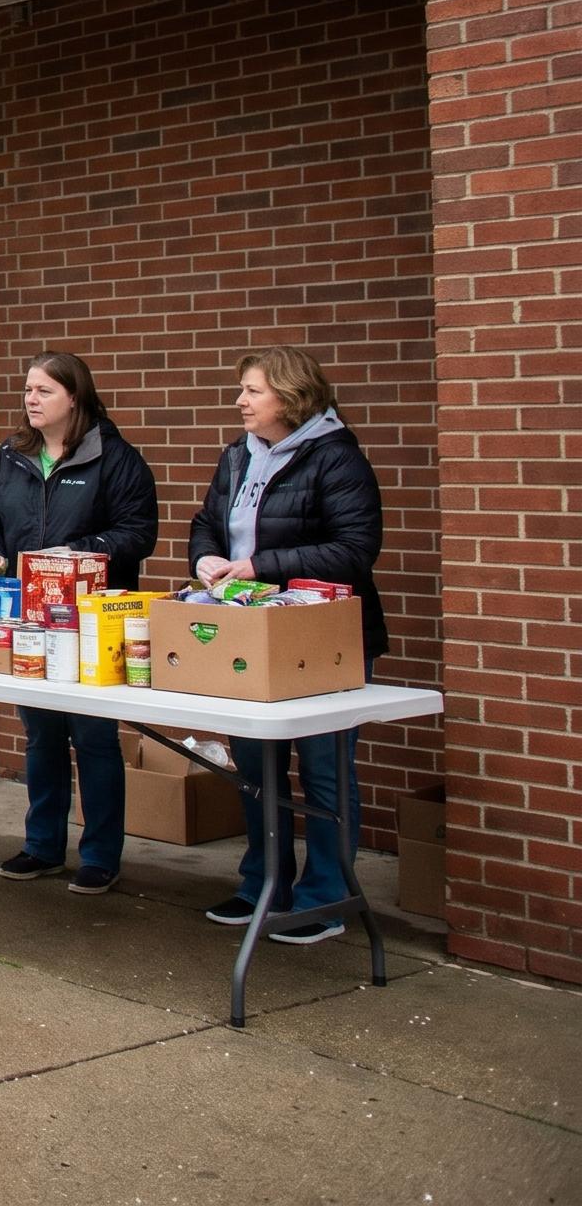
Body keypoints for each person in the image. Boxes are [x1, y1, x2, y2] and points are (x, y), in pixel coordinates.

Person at [188, 346, 389, 945]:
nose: (240, 401)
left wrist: (258, 565)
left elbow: (355, 550)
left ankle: (327, 898)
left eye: (253, 391)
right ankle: (264, 884)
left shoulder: (336, 459)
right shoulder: (235, 458)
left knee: (325, 770)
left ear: (291, 397)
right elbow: (207, 521)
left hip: (322, 638)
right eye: (241, 389)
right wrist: (206, 558)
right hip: (250, 632)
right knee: (256, 766)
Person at [0, 350, 157, 898]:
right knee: (42, 734)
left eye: (43, 391)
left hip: (93, 624)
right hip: (30, 618)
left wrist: (77, 552)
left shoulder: (115, 458)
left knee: (94, 737)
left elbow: (137, 532)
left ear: (74, 397)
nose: (30, 399)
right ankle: (43, 847)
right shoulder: (11, 455)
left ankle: (100, 855)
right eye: (27, 390)